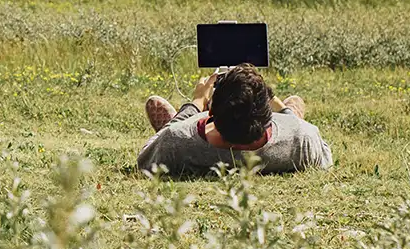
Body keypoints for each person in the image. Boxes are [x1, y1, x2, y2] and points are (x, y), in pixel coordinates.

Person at [136, 63, 332, 175]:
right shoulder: (304, 137)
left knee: (175, 124)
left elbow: (144, 158)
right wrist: (275, 102)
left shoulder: (175, 140)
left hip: (188, 129)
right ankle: (287, 111)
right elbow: (325, 159)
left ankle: (181, 115)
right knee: (294, 110)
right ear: (268, 117)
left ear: (211, 113)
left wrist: (197, 102)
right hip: (289, 134)